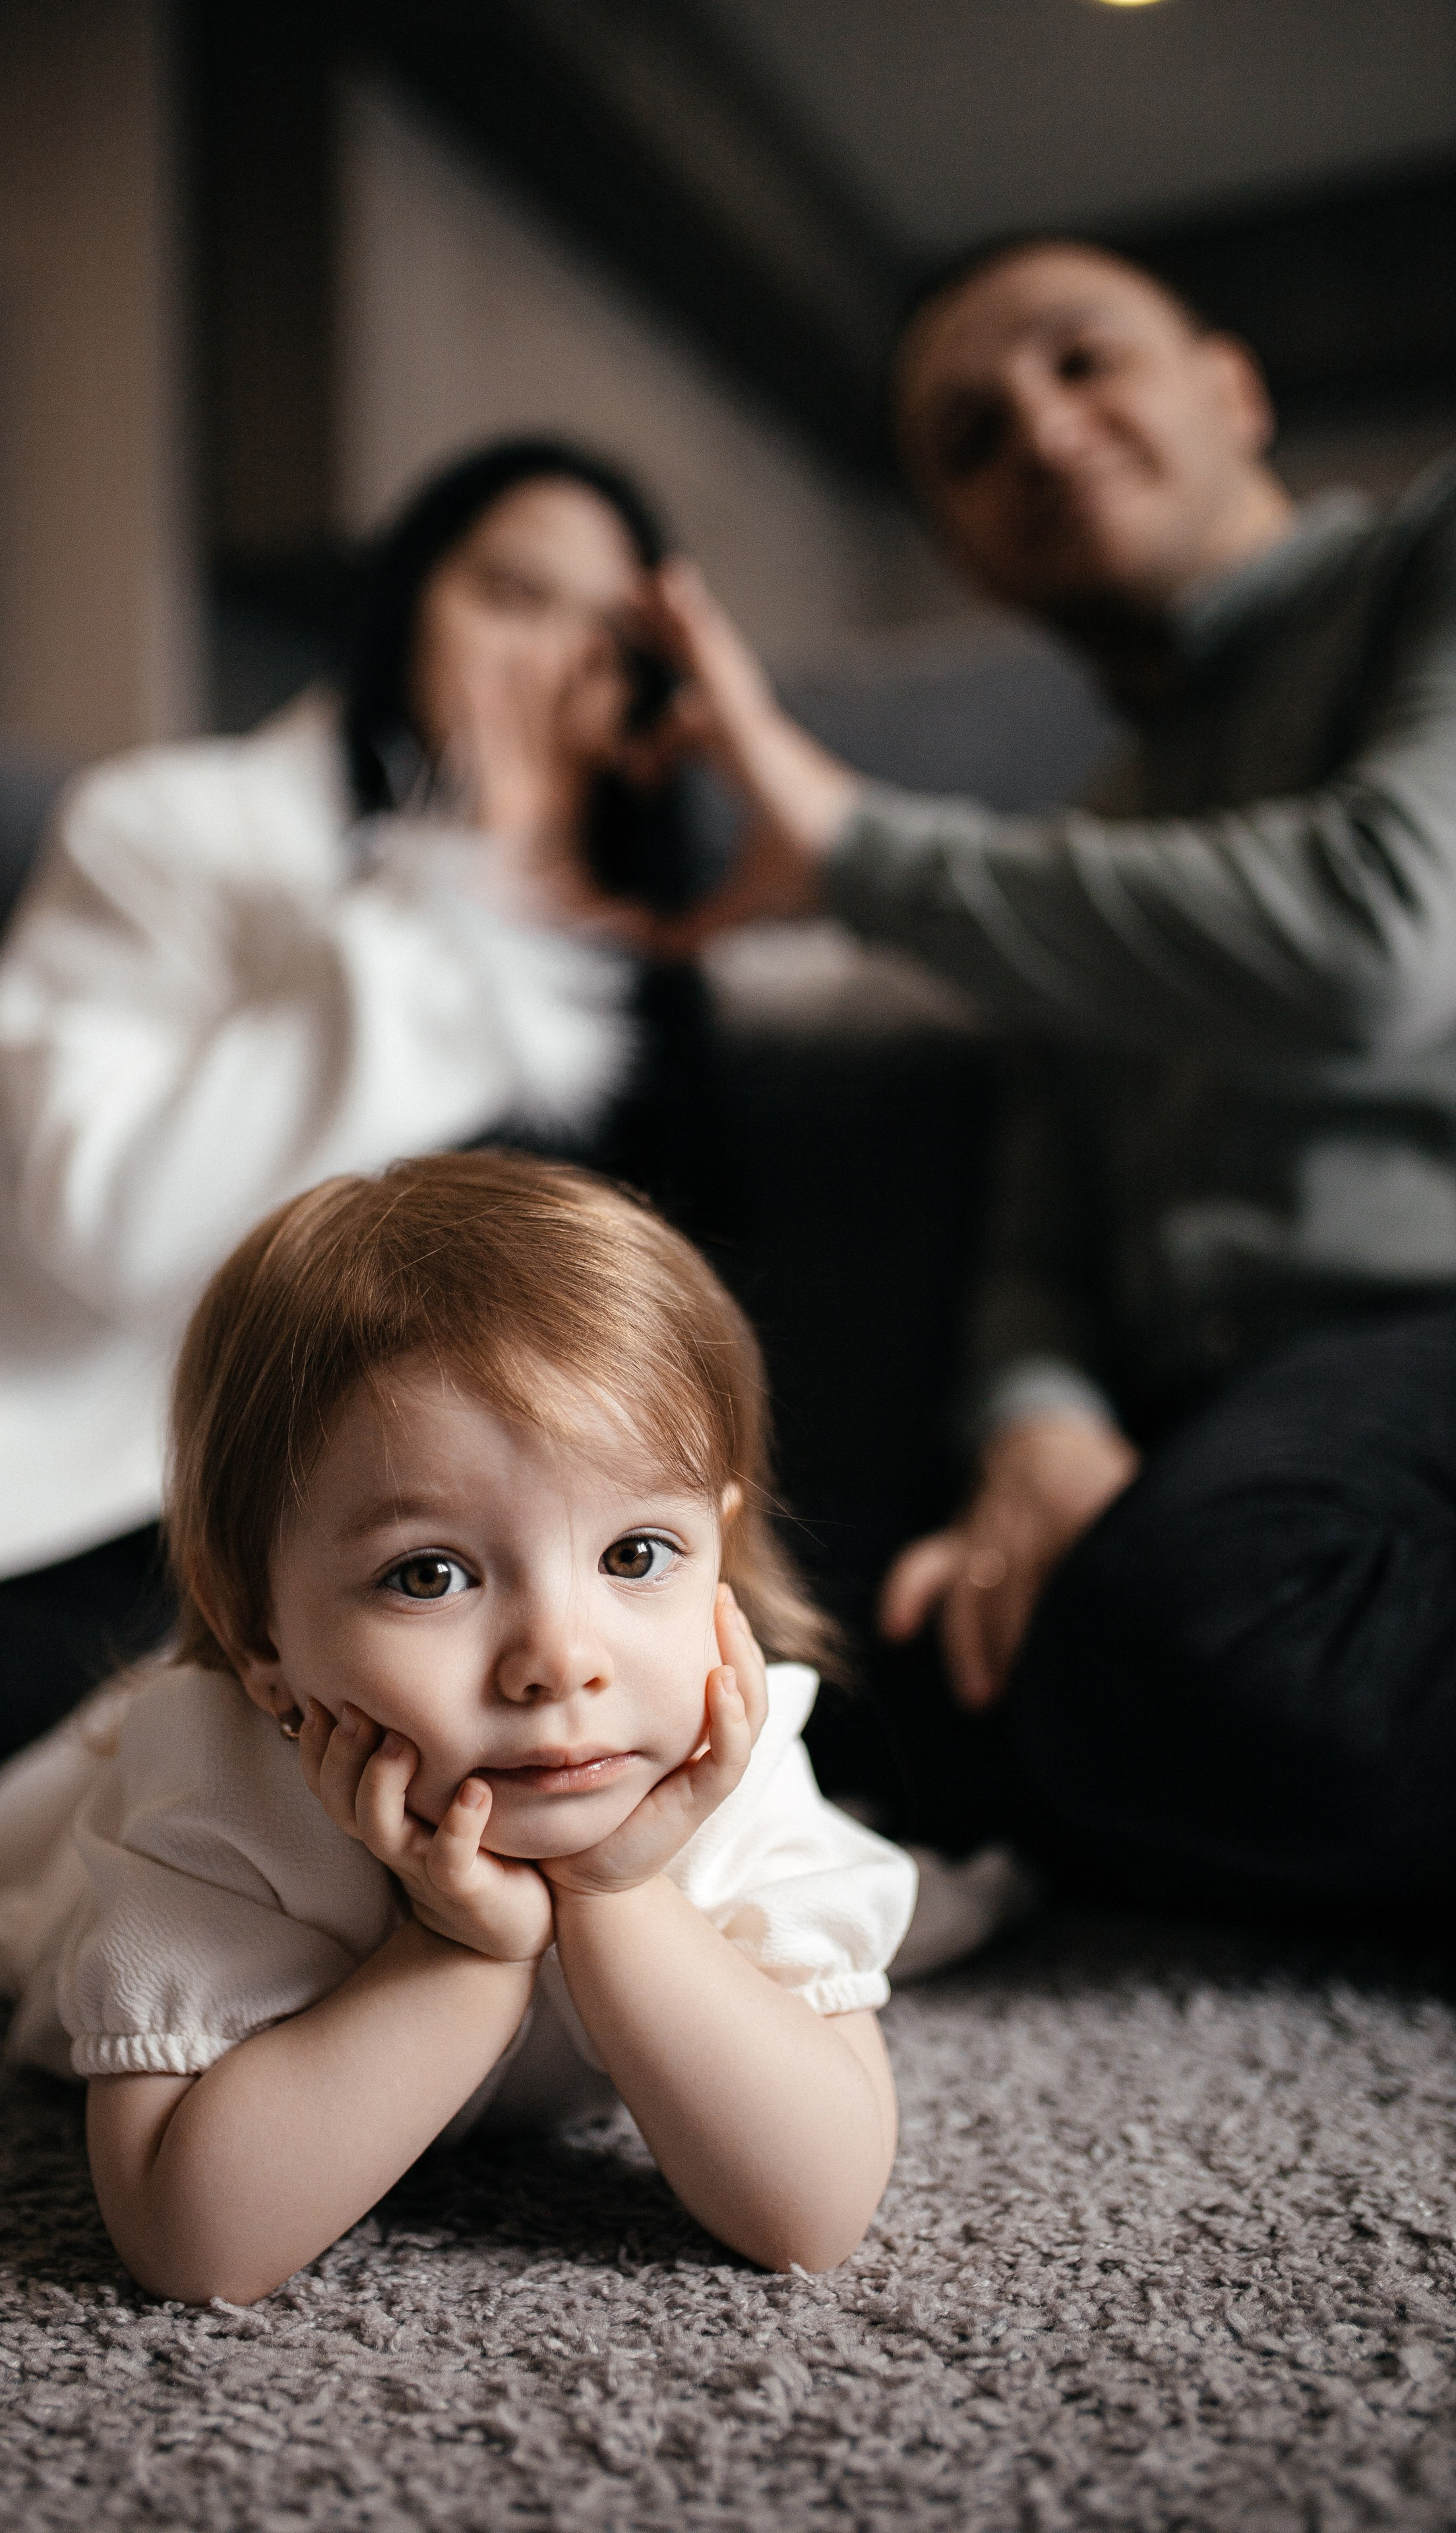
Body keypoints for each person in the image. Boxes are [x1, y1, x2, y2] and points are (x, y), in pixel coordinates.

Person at [0, 437, 724, 1908]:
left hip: (369, 1508)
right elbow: (117, 1224)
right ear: (410, 599)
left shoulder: (623, 972)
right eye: (514, 597)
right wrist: (448, 899)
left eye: (607, 641)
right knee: (72, 1736)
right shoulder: (166, 828)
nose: (552, 663)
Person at [650, 237, 1456, 1928]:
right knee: (751, 1654)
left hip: (1415, 1339)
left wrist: (854, 848)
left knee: (1208, 1619)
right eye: (966, 434)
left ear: (1229, 389)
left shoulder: (1427, 562)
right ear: (956, 545)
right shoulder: (1079, 844)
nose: (1034, 423)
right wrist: (1039, 1429)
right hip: (1201, 1420)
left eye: (1081, 359)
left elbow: (1376, 938)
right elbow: (1039, 1237)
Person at [0, 1150, 914, 2300]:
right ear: (253, 1626)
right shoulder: (220, 1797)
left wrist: (614, 1894)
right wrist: (462, 1947)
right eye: (431, 1575)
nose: (560, 1661)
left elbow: (815, 2210)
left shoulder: (719, 1766)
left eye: (635, 1556)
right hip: (112, 1797)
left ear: (718, 1556)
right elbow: (190, 2243)